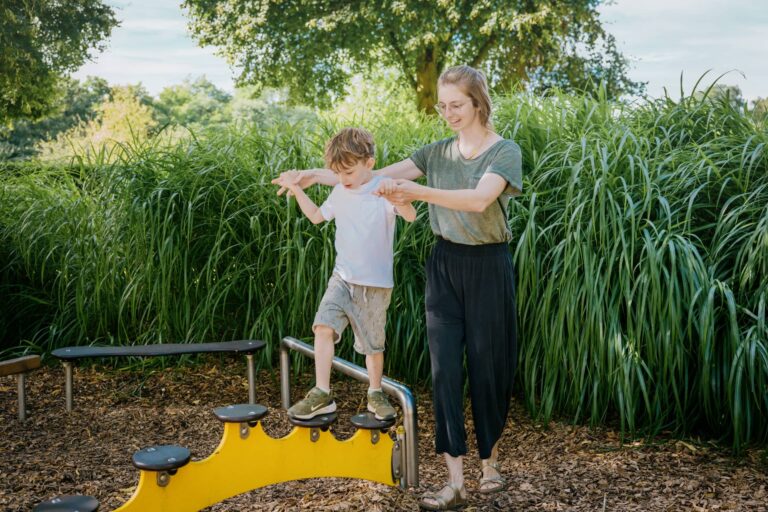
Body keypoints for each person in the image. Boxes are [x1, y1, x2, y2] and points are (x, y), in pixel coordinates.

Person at [274, 65, 521, 510]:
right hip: (445, 265)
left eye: (457, 105)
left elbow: (480, 200)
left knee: (489, 370)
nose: (448, 113)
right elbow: (369, 178)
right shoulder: (436, 152)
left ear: (478, 102)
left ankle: (491, 464)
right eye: (443, 105)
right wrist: (311, 175)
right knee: (444, 371)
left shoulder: (503, 152)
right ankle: (455, 482)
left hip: (488, 266)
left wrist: (415, 193)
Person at [273, 127, 417, 422]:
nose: (343, 179)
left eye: (348, 172)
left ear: (369, 163)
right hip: (342, 278)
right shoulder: (340, 191)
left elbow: (411, 216)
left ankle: (375, 392)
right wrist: (298, 188)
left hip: (374, 286)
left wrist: (398, 199)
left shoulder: (382, 189)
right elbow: (316, 217)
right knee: (322, 326)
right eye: (338, 173)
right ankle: (322, 393)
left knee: (373, 346)